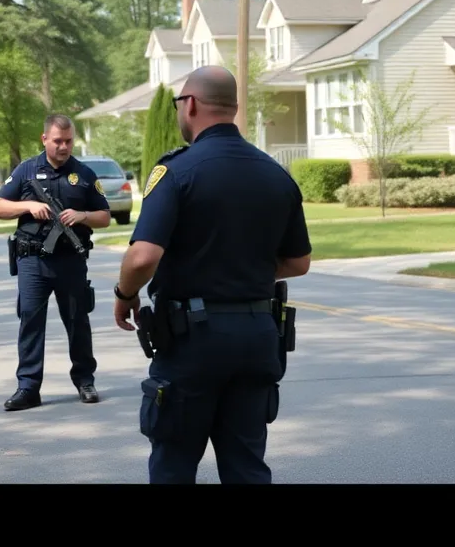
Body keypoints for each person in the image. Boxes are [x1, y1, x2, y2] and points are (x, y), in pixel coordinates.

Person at [112, 65, 312, 484]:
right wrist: (243, 263)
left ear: (191, 105)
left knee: (174, 463)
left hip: (193, 341)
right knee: (246, 466)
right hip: (259, 337)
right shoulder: (276, 174)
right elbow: (298, 262)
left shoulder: (175, 172)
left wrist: (125, 293)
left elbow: (143, 257)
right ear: (234, 108)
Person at [0, 113, 111, 411]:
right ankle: (28, 388)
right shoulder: (26, 171)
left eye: (68, 141)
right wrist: (28, 205)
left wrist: (82, 216)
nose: (64, 146)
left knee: (77, 321)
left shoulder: (83, 174)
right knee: (31, 322)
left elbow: (105, 216)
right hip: (32, 261)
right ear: (45, 139)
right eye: (58, 141)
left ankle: (85, 380)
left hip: (71, 261)